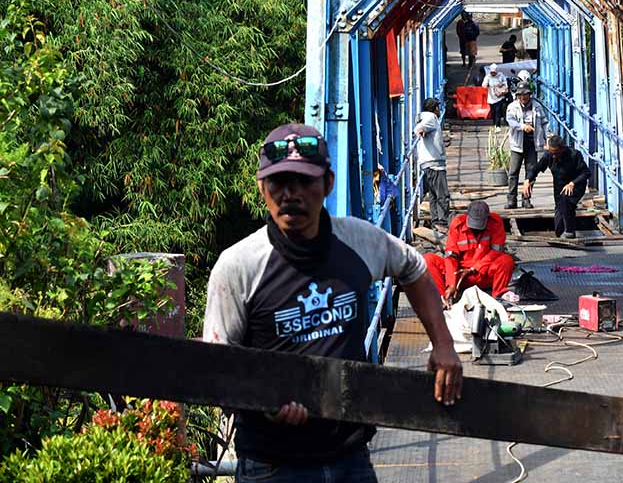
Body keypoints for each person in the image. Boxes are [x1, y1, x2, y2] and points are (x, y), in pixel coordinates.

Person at [203, 123, 462, 483]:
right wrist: (265, 404)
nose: (291, 194)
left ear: (328, 183)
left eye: (305, 181)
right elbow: (217, 364)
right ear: (262, 188)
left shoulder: (357, 241)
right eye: (279, 183)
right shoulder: (239, 266)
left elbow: (413, 267)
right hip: (274, 464)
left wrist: (443, 344)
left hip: (350, 455)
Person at [423, 201, 516, 306]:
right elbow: (451, 257)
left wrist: (474, 269)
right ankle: (441, 300)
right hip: (460, 274)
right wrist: (451, 283)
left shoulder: (495, 222)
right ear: (467, 216)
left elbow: (496, 252)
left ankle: (499, 295)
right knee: (428, 259)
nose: (475, 230)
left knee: (506, 260)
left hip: (483, 273)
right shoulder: (457, 224)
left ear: (487, 218)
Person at [524, 135, 590, 239]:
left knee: (566, 200)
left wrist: (572, 183)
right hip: (559, 187)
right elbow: (537, 168)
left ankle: (570, 231)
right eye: (552, 153)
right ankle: (563, 231)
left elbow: (586, 173)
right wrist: (528, 180)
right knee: (559, 226)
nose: (553, 156)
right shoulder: (549, 155)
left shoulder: (574, 155)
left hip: (575, 186)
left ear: (562, 149)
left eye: (556, 153)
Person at [505, 73, 548, 210]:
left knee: (531, 172)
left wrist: (547, 139)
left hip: (532, 144)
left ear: (529, 94)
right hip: (517, 144)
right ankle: (511, 200)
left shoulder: (537, 106)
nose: (523, 97)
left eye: (525, 94)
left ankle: (526, 199)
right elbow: (511, 121)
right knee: (513, 172)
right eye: (520, 95)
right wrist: (522, 127)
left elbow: (545, 123)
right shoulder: (512, 107)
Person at [415, 98, 449, 229]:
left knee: (434, 194)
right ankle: (442, 222)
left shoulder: (423, 116)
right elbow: (419, 128)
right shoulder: (431, 118)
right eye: (438, 108)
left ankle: (436, 221)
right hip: (434, 162)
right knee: (442, 194)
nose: (439, 110)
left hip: (427, 162)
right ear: (434, 109)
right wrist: (421, 130)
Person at [482, 64, 510, 129]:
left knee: (498, 111)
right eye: (492, 72)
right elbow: (483, 85)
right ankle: (495, 123)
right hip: (491, 97)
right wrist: (486, 84)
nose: (493, 74)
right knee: (493, 112)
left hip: (500, 96)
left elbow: (505, 83)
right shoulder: (488, 77)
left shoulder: (501, 75)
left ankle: (498, 125)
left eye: (494, 72)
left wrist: (501, 84)